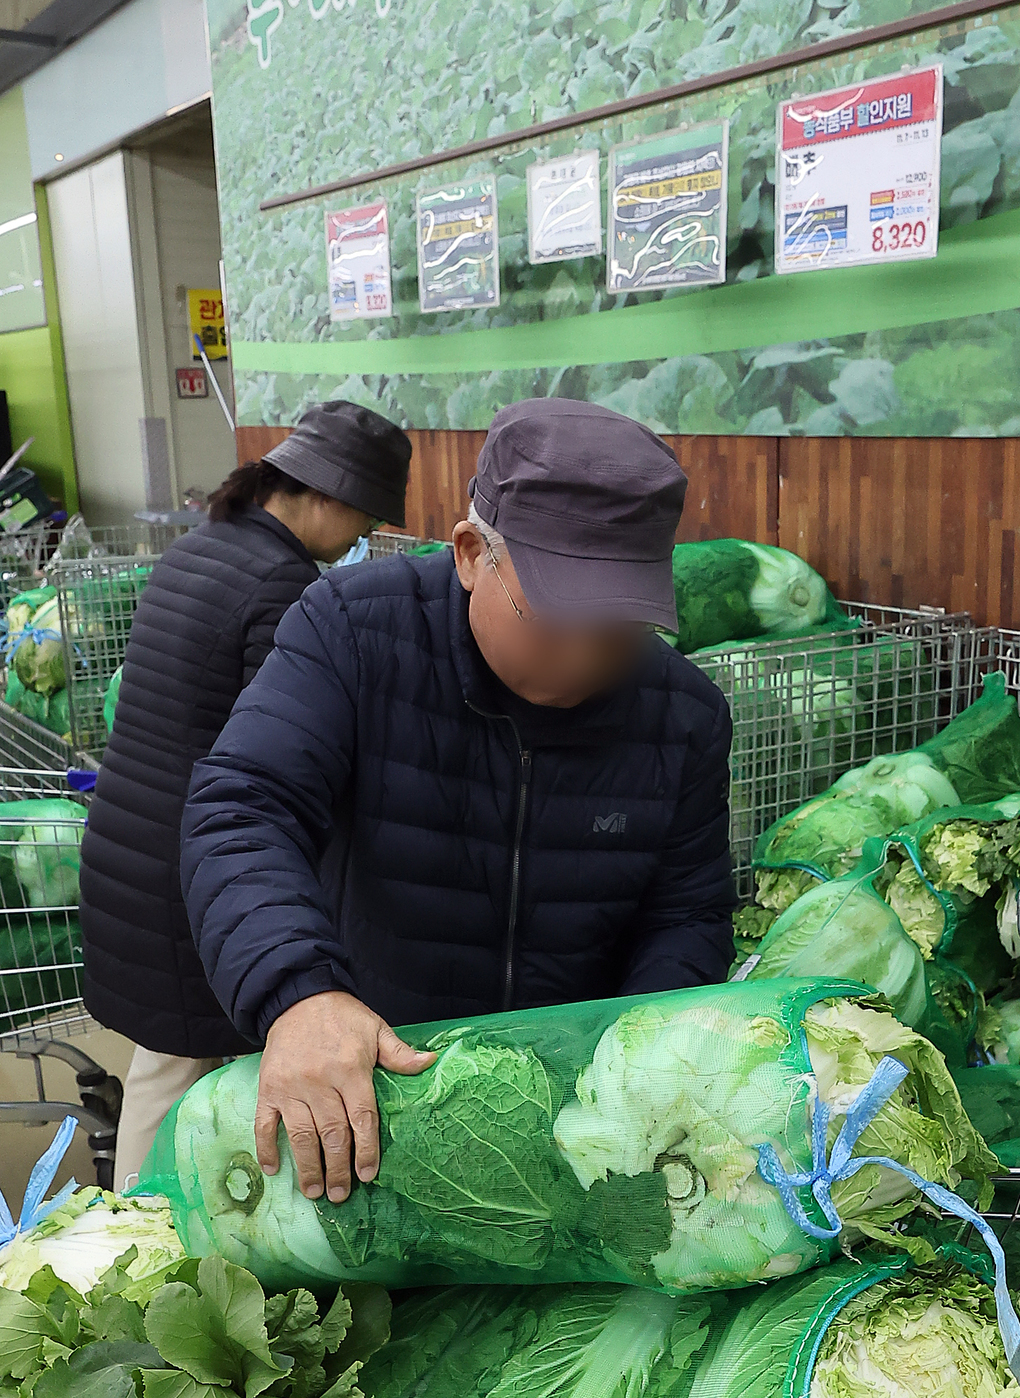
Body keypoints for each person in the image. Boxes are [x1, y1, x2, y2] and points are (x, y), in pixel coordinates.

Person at [181, 398, 734, 1213]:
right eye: (554, 620)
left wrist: (639, 1065)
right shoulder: (352, 631)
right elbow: (242, 808)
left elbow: (686, 912)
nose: (583, 661)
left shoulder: (683, 717)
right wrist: (301, 992)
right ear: (473, 554)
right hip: (373, 1106)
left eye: (618, 632)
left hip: (572, 1131)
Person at [79, 400, 413, 1186]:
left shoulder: (202, 549)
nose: (360, 537)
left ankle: (151, 1232)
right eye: (362, 517)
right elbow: (282, 756)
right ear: (325, 496)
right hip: (185, 874)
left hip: (132, 846)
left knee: (166, 1061)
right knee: (174, 1070)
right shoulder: (281, 585)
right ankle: (135, 1245)